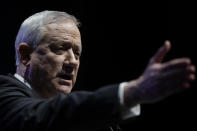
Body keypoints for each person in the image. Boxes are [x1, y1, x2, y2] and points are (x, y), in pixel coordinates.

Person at [0, 10, 195, 131]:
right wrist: (131, 92)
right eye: (60, 48)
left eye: (77, 53)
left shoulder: (86, 120)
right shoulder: (4, 93)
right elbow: (41, 117)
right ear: (26, 55)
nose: (72, 62)